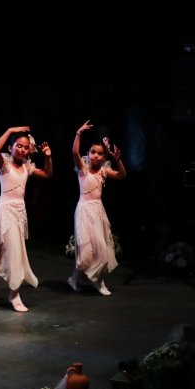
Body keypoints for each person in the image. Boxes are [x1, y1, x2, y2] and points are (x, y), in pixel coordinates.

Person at [0, 127, 52, 312]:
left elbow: (47, 174)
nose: (22, 149)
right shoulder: (4, 165)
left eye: (26, 147)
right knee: (12, 252)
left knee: (5, 251)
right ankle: (14, 294)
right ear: (10, 147)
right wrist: (10, 130)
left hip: (19, 212)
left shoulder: (27, 168)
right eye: (18, 146)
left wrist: (48, 157)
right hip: (5, 211)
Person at [67, 120, 126, 295]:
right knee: (86, 250)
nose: (95, 156)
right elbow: (74, 152)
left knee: (100, 247)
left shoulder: (103, 171)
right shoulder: (82, 169)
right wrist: (78, 133)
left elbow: (122, 175)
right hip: (84, 211)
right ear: (88, 153)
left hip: (98, 211)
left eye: (100, 153)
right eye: (93, 152)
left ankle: (99, 282)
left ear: (104, 157)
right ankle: (74, 279)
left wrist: (118, 160)